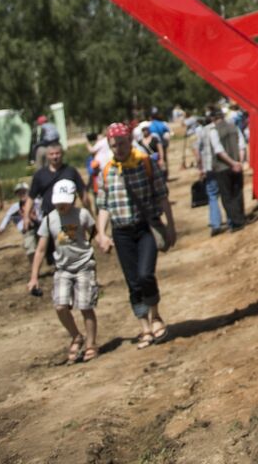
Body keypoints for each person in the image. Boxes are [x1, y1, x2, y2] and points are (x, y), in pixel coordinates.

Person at [95, 121, 176, 348]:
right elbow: (103, 205)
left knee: (145, 274)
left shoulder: (145, 164)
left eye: (122, 143)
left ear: (130, 141)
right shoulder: (107, 170)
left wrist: (170, 226)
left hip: (144, 228)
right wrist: (101, 233)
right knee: (133, 282)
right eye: (114, 145)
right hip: (121, 233)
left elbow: (162, 196)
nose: (118, 148)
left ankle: (156, 315)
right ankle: (145, 327)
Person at [28, 179, 100, 364]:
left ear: (73, 199)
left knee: (85, 306)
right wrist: (34, 276)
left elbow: (95, 232)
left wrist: (102, 241)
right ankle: (76, 336)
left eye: (65, 201)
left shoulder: (83, 215)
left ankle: (91, 345)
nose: (61, 205)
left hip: (84, 265)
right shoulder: (49, 219)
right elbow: (41, 249)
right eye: (58, 201)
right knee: (60, 306)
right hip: (63, 269)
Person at [207, 107, 247, 231]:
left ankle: (235, 222)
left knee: (227, 196)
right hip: (237, 165)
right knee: (238, 192)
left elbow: (219, 151)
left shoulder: (213, 131)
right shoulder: (234, 127)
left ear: (213, 118)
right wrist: (238, 162)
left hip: (222, 167)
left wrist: (232, 163)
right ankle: (241, 218)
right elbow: (242, 145)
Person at [0, 182, 40, 260]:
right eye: (19, 193)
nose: (22, 194)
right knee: (30, 251)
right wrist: (1, 227)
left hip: (41, 227)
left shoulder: (37, 202)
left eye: (24, 192)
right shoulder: (15, 206)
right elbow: (7, 216)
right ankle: (34, 267)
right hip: (28, 230)